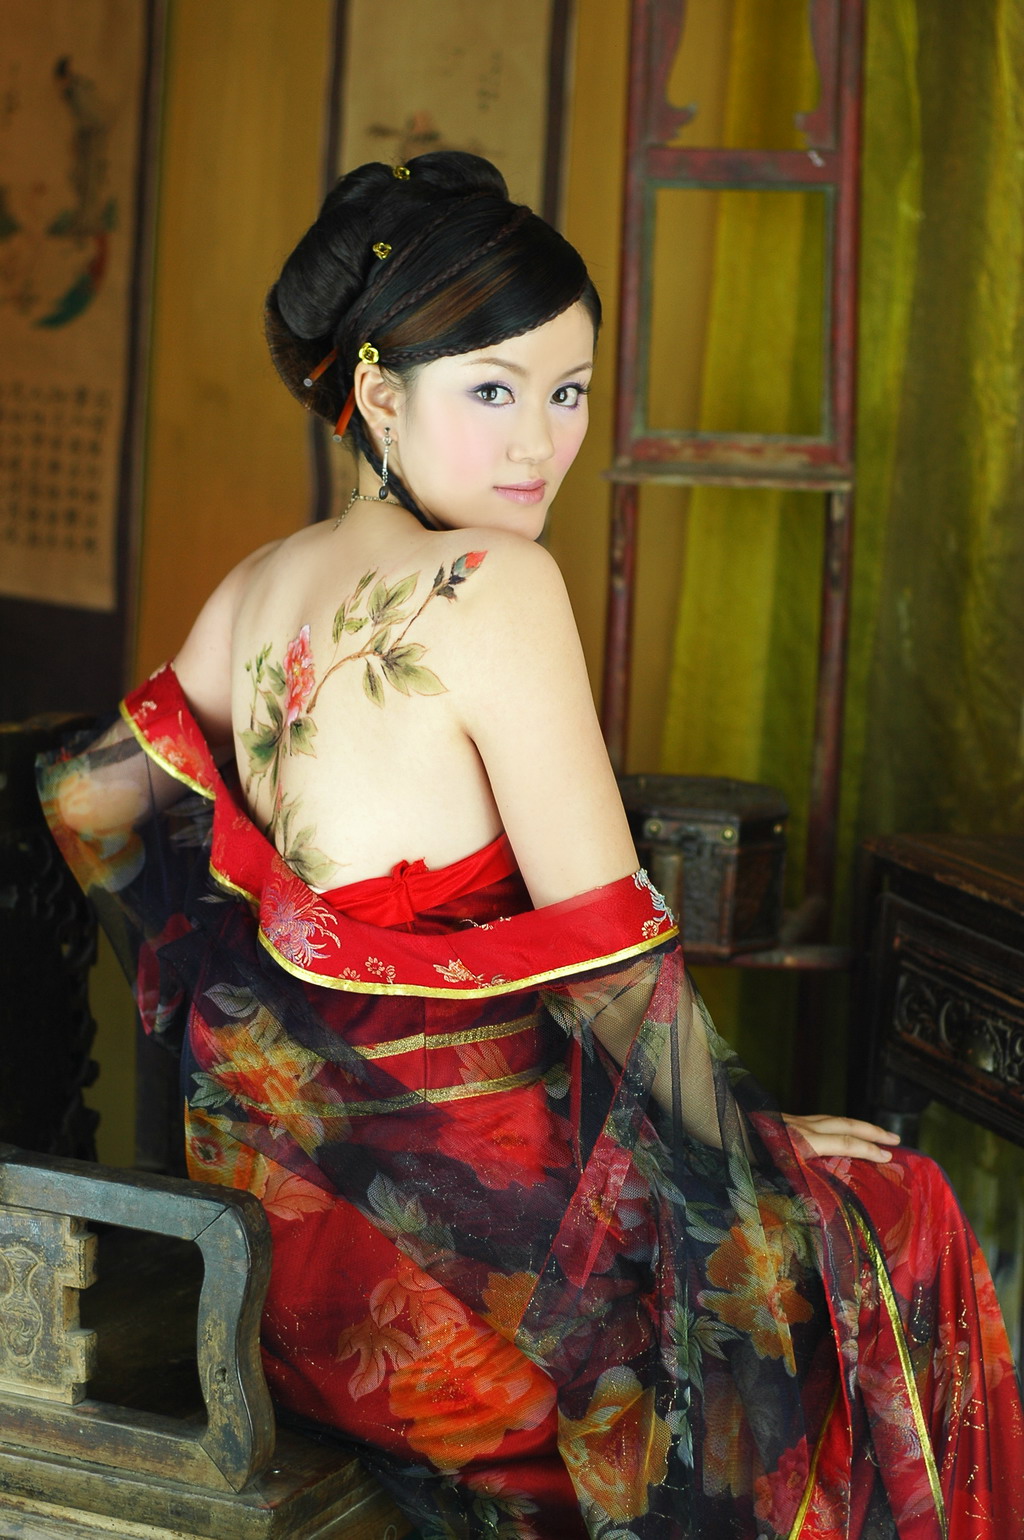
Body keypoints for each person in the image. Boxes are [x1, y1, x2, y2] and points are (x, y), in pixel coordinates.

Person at [38, 152, 1023, 1539]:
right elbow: (613, 964)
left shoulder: (257, 582)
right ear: (381, 395)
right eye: (494, 391)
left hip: (287, 1260)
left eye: (569, 391)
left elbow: (85, 799)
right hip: (469, 1288)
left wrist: (264, 1028)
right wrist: (753, 1147)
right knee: (896, 1212)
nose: (542, 445)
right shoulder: (494, 584)